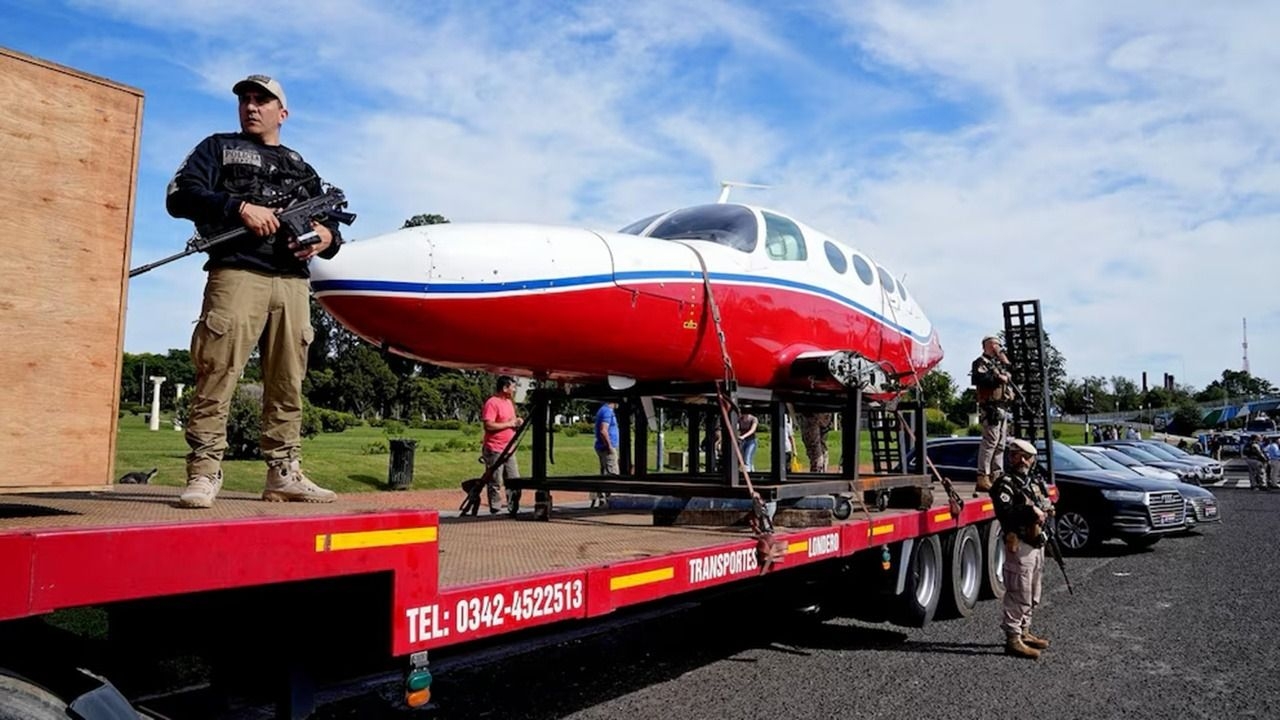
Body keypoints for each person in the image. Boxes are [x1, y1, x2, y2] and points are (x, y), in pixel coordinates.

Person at [167, 74, 343, 508]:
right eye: (245, 99)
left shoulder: (301, 167)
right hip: (237, 272)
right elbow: (180, 196)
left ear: (282, 113)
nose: (250, 106)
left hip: (293, 283)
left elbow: (330, 227)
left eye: (261, 100)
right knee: (217, 370)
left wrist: (326, 237)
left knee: (288, 381)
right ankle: (204, 471)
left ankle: (284, 473)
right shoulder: (217, 147)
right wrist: (239, 207)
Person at [989, 438, 1052, 660]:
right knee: (1019, 590)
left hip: (1036, 542)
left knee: (1033, 590)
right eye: (1016, 456)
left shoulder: (1033, 481)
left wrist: (1045, 510)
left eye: (1025, 457)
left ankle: (1025, 630)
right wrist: (1030, 512)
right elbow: (1005, 512)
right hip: (1020, 542)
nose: (1021, 460)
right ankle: (1013, 638)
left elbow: (1045, 502)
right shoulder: (1005, 484)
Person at [970, 335, 1011, 496]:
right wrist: (998, 378)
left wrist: (1004, 365)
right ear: (987, 345)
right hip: (990, 406)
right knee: (990, 442)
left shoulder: (998, 364)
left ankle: (997, 475)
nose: (998, 347)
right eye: (995, 344)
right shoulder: (980, 362)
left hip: (1002, 406)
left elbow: (1010, 371)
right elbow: (981, 379)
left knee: (1001, 444)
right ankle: (983, 476)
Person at [481, 376, 524, 513]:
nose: (514, 389)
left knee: (514, 478)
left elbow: (510, 421)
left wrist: (516, 423)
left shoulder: (509, 403)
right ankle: (495, 508)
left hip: (509, 448)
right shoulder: (492, 403)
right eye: (512, 387)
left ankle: (513, 506)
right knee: (495, 480)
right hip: (495, 448)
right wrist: (509, 424)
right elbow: (489, 425)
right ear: (505, 388)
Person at [592, 400, 620, 508]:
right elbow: (603, 430)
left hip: (602, 447)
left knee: (604, 473)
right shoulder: (607, 411)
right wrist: (609, 446)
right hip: (606, 448)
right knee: (612, 474)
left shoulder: (603, 410)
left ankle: (602, 499)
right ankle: (609, 501)